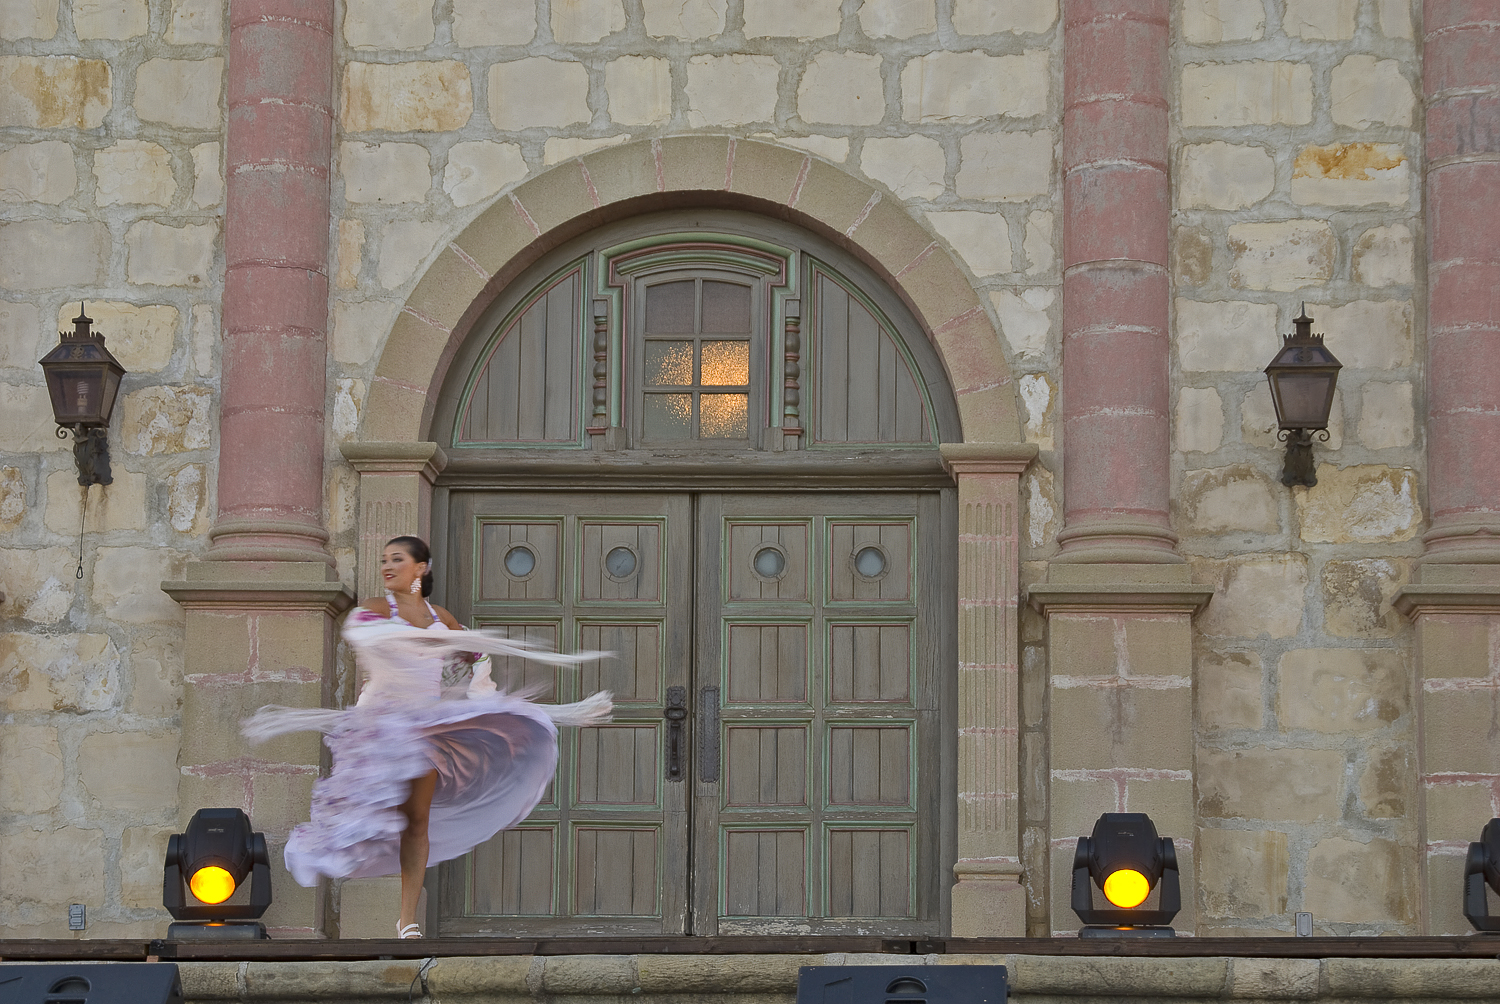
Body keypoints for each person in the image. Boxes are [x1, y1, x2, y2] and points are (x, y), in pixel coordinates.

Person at [244, 535, 611, 939]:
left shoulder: (443, 620)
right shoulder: (375, 612)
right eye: (384, 560)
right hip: (382, 729)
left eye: (397, 559)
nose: (387, 566)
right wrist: (423, 641)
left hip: (425, 731)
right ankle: (336, 860)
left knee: (416, 823)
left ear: (421, 568)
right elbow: (361, 635)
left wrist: (481, 700)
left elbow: (476, 663)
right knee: (362, 818)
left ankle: (407, 920)